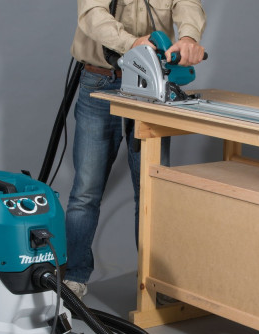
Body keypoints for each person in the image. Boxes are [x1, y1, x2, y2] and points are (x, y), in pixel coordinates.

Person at [64, 0, 207, 299]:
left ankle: (154, 283)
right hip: (101, 79)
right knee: (86, 191)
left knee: (151, 191)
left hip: (151, 84)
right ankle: (73, 277)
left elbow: (187, 4)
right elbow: (92, 14)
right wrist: (131, 44)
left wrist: (189, 38)